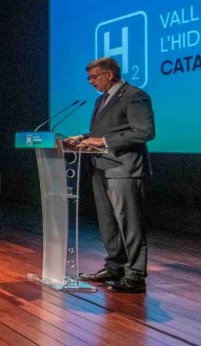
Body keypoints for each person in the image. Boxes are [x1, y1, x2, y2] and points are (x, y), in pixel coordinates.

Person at [65, 56, 155, 294]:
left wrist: (103, 141)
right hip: (101, 168)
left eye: (93, 77)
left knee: (130, 224)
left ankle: (135, 275)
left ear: (109, 74)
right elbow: (103, 132)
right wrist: (83, 137)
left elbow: (144, 132)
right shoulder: (101, 99)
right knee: (108, 224)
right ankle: (115, 267)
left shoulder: (135, 95)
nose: (90, 82)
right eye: (89, 78)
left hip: (124, 169)